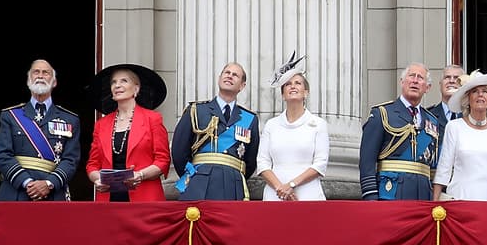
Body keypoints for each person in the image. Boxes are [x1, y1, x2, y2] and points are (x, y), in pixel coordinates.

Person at [0, 59, 81, 201]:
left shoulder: (70, 119)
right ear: (29, 80)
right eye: (36, 72)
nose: (40, 76)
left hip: (52, 193)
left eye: (45, 73)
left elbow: (71, 160)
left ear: (54, 82)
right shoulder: (10, 116)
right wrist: (27, 183)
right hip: (15, 191)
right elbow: (2, 155)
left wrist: (49, 184)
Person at [172, 62, 259, 201]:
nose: (229, 76)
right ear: (219, 79)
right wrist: (193, 175)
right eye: (227, 73)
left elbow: (250, 159)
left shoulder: (250, 119)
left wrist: (234, 174)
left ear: (242, 86)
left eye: (235, 75)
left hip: (233, 183)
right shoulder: (196, 110)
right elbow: (179, 151)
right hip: (199, 182)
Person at [86, 64, 171, 202]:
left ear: (136, 89)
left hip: (144, 197)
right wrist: (98, 179)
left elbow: (163, 161)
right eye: (114, 82)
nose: (117, 85)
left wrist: (140, 175)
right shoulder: (101, 125)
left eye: (123, 81)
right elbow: (92, 164)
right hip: (109, 199)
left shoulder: (152, 119)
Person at [360, 63, 442, 201]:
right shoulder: (383, 113)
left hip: (423, 195)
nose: (415, 81)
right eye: (411, 76)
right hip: (391, 192)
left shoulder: (432, 121)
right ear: (402, 82)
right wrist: (370, 196)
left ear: (427, 88)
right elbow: (367, 161)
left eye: (420, 78)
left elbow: (432, 167)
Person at [256, 54, 329, 201]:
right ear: (283, 94)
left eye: (298, 83)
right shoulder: (271, 125)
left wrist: (291, 184)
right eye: (288, 84)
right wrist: (281, 188)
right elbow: (262, 163)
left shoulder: (318, 124)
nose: (293, 86)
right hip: (275, 194)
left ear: (306, 92)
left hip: (308, 193)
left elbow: (320, 163)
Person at [432, 70, 487, 201]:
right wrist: (434, 205)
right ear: (467, 99)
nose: (480, 95)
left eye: (484, 91)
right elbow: (444, 169)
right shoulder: (454, 126)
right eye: (475, 91)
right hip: (462, 199)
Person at [426, 63, 465, 131]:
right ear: (440, 84)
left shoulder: (471, 115)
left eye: (456, 78)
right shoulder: (428, 115)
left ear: (463, 85)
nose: (451, 81)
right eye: (447, 77)